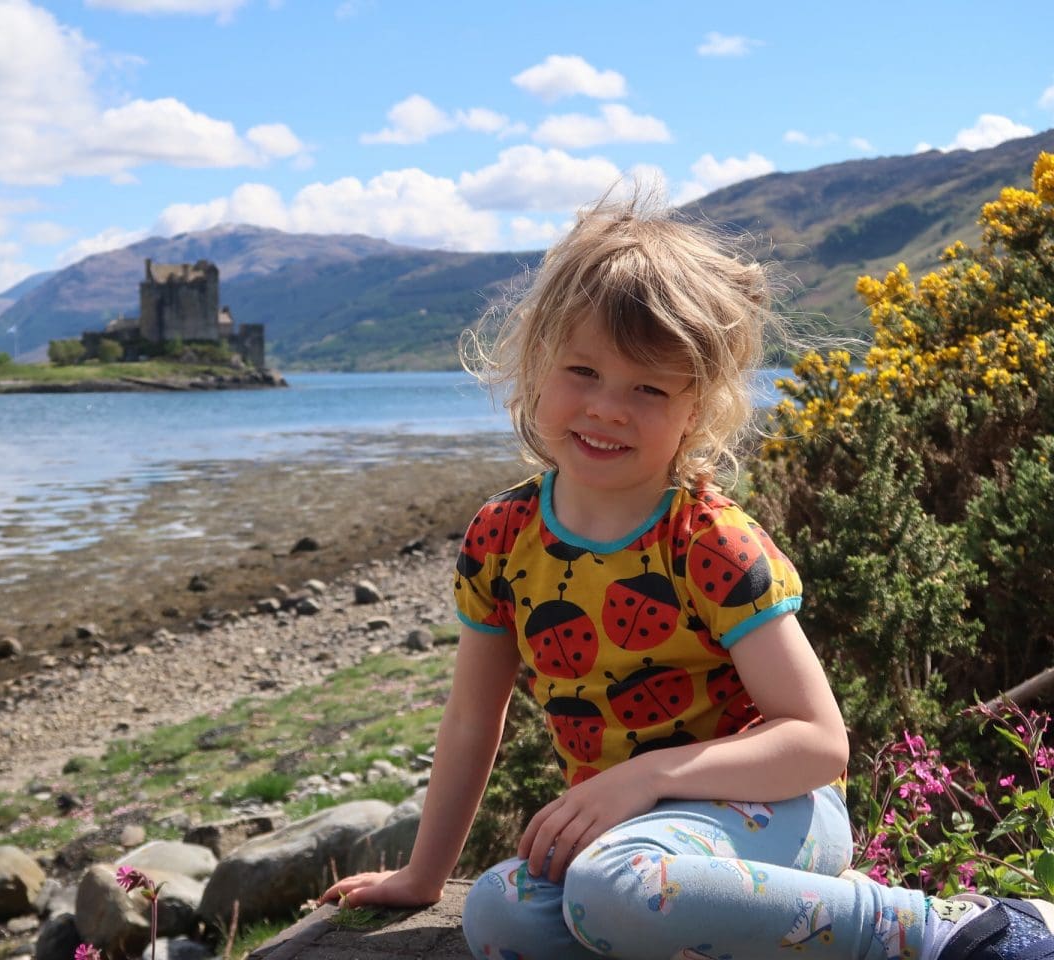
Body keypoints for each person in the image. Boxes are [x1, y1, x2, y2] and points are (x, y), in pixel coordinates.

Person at [320, 196, 1054, 960]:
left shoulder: (709, 542)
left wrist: (646, 778)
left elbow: (818, 743)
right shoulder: (501, 539)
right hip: (635, 840)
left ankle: (952, 929)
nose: (607, 408)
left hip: (778, 814)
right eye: (583, 371)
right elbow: (473, 721)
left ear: (696, 408)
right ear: (537, 366)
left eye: (649, 389)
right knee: (502, 914)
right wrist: (423, 875)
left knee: (613, 888)